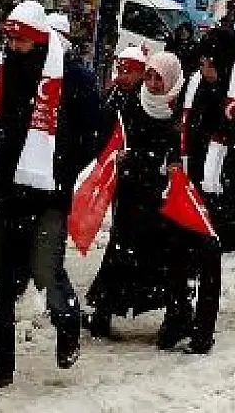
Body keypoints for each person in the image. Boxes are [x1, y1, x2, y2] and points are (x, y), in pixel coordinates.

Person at [0, 1, 102, 390]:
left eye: (20, 39)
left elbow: (95, 133)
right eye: (10, 38)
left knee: (44, 269)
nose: (13, 45)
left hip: (47, 195)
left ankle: (69, 321)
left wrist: (59, 168)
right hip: (0, 192)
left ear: (38, 40)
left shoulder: (72, 77)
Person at [159, 26, 235, 354]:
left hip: (219, 187)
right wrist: (174, 158)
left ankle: (203, 329)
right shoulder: (195, 87)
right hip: (188, 180)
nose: (203, 68)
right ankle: (177, 316)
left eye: (209, 62)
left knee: (209, 261)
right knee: (176, 256)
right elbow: (178, 127)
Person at [85, 51, 184, 339]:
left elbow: (176, 148)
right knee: (120, 248)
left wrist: (164, 161)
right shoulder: (132, 101)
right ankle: (103, 311)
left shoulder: (177, 110)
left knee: (159, 252)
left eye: (159, 78)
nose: (152, 83)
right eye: (149, 76)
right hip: (131, 187)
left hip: (159, 191)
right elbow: (114, 131)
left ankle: (174, 316)